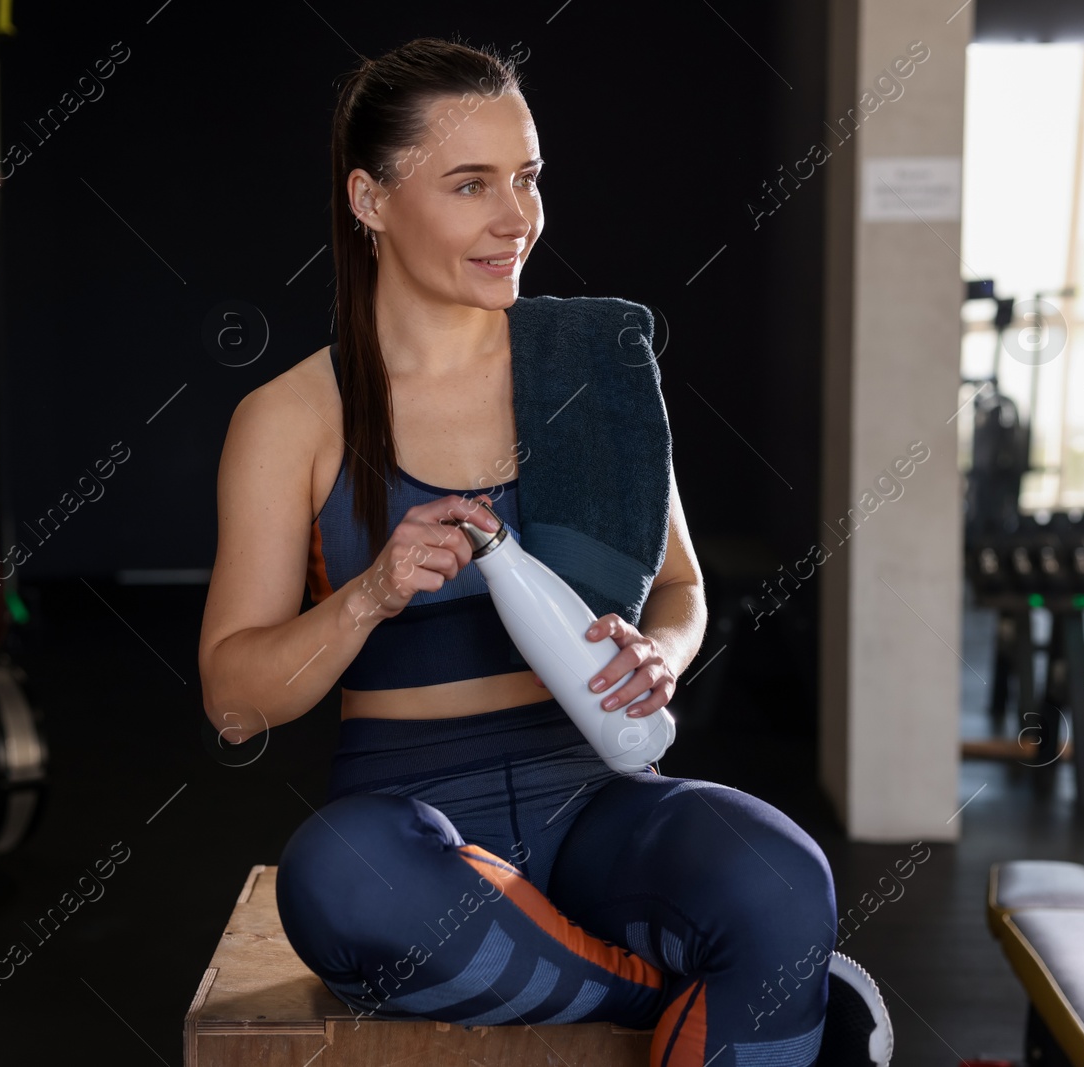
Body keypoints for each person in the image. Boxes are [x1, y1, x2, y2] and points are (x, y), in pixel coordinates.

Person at [196, 36, 894, 1067]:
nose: (515, 218)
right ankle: (679, 989)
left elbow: (681, 588)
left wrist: (660, 652)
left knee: (780, 873)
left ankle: (680, 958)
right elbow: (234, 698)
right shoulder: (291, 417)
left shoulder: (596, 369)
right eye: (469, 183)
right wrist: (369, 593)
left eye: (525, 178)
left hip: (597, 802)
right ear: (370, 199)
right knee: (337, 875)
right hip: (413, 833)